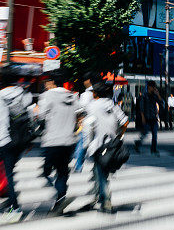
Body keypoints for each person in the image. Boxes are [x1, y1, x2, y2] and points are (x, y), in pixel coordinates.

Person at [0, 70, 33, 220]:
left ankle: (14, 206)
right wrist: (28, 140)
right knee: (8, 170)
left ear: (1, 81)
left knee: (8, 173)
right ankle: (9, 195)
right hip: (22, 139)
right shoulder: (24, 95)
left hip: (5, 139)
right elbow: (29, 116)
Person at [37, 73, 79, 215]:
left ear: (53, 82)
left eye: (47, 82)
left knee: (46, 171)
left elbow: (41, 116)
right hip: (69, 141)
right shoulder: (72, 96)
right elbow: (79, 115)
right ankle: (60, 201)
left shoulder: (48, 96)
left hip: (52, 140)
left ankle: (60, 196)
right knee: (62, 172)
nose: (45, 85)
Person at [84, 82, 128, 212]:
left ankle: (105, 199)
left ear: (95, 93)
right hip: (112, 145)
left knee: (101, 174)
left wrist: (87, 145)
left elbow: (88, 126)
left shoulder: (92, 106)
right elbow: (125, 121)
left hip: (98, 145)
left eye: (93, 92)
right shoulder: (112, 105)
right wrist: (119, 135)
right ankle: (99, 196)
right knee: (102, 173)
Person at [73, 76, 94, 173]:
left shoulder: (86, 95)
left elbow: (81, 108)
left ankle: (78, 166)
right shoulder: (96, 92)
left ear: (88, 80)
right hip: (96, 122)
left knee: (82, 143)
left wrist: (78, 119)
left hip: (87, 122)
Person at [134, 81, 162, 155]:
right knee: (145, 133)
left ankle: (153, 149)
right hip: (146, 118)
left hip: (153, 117)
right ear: (149, 87)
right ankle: (138, 143)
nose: (154, 88)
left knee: (154, 135)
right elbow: (141, 107)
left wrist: (158, 94)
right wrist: (143, 117)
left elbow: (161, 102)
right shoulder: (144, 96)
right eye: (153, 87)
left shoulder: (154, 96)